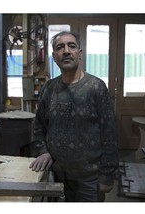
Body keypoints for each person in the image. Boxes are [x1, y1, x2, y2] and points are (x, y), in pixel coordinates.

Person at [29, 31, 119, 202]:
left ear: (80, 53)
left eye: (71, 45)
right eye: (60, 47)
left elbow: (110, 133)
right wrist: (43, 151)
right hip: (56, 173)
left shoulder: (96, 88)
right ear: (54, 56)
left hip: (89, 179)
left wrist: (107, 174)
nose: (66, 51)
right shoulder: (49, 88)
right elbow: (39, 125)